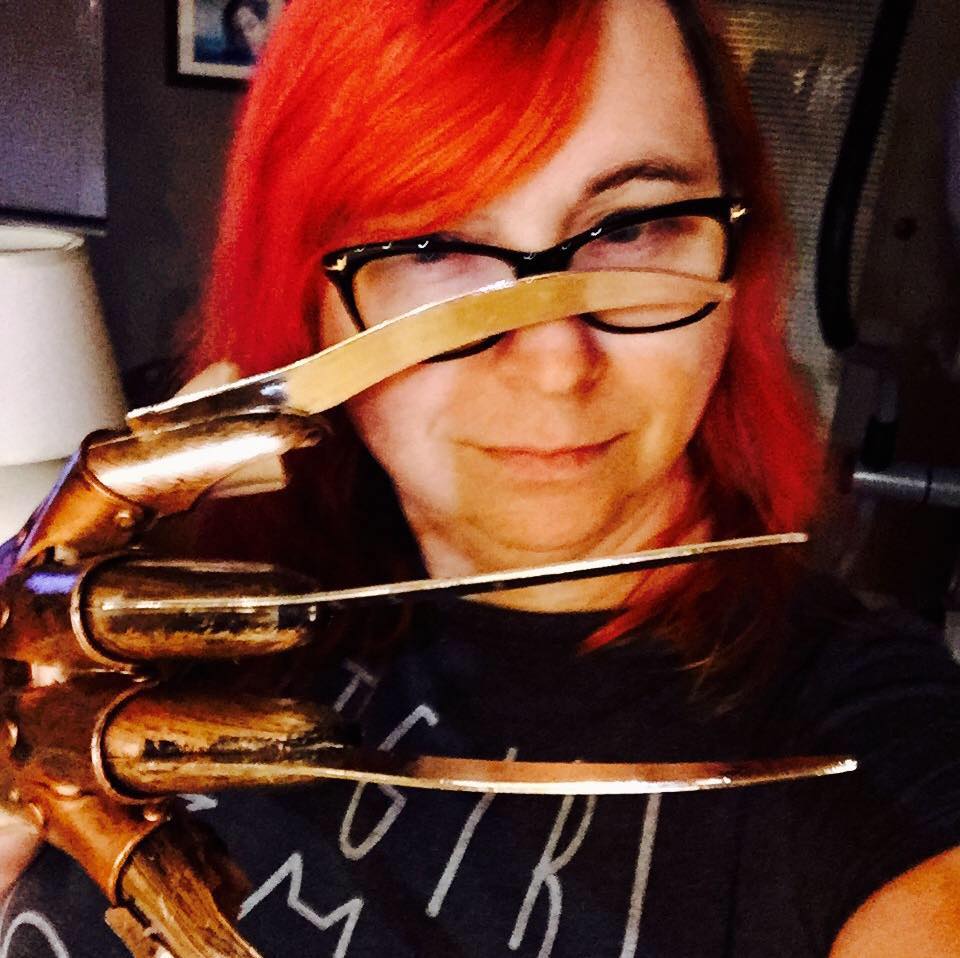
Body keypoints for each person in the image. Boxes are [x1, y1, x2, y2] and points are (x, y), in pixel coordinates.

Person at [4, 1, 960, 955]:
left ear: (738, 263)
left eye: (633, 229)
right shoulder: (130, 628)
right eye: (431, 247)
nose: (554, 365)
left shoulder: (871, 734)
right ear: (309, 293)